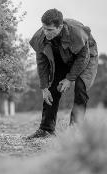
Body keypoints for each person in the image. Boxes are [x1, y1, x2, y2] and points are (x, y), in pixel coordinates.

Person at [28, 8, 98, 139]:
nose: (45, 32)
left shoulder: (76, 33)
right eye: (44, 28)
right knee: (52, 89)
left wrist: (70, 78)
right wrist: (44, 87)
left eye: (49, 30)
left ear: (60, 27)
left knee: (81, 88)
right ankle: (46, 130)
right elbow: (42, 63)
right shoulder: (40, 37)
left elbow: (83, 58)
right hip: (60, 56)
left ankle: (75, 130)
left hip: (86, 56)